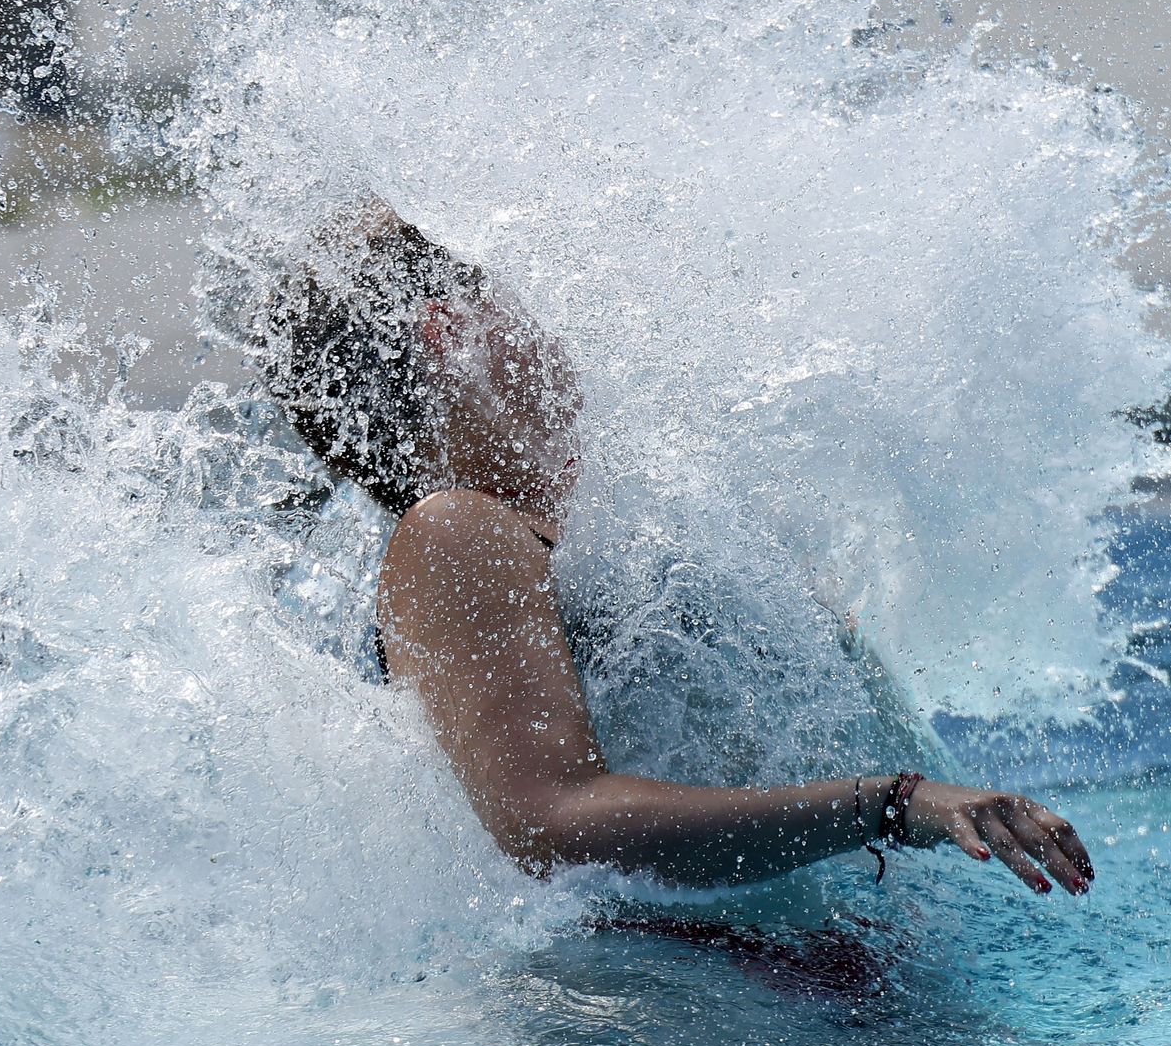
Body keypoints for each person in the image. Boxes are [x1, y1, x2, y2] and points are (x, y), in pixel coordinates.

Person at [257, 200, 1093, 898]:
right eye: (514, 295)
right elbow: (551, 823)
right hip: (691, 1015)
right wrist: (888, 804)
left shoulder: (597, 541)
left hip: (782, 1000)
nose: (551, 325)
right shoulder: (456, 532)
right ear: (454, 333)